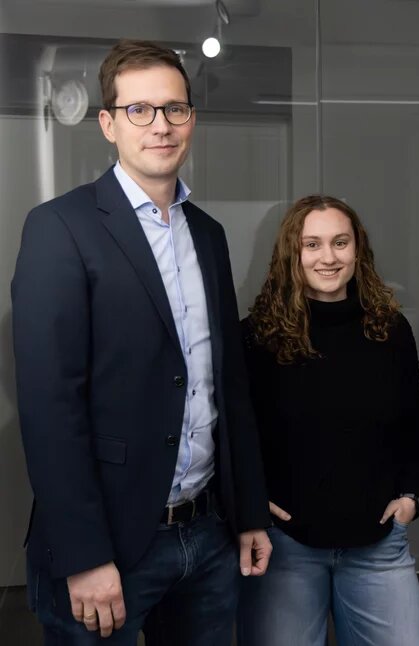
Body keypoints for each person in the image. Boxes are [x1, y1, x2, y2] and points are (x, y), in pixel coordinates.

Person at [11, 39, 271, 645]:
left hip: (207, 537)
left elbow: (227, 386)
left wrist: (249, 511)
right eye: (140, 110)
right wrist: (85, 555)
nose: (160, 125)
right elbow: (51, 408)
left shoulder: (207, 234)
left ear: (192, 120)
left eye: (174, 109)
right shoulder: (60, 228)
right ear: (108, 123)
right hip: (110, 546)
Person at [236, 195, 419, 646]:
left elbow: (414, 427)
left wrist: (411, 497)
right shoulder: (255, 336)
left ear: (357, 250)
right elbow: (235, 434)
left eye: (340, 242)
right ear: (292, 254)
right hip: (284, 547)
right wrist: (252, 499)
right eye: (313, 245)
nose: (328, 257)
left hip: (378, 545)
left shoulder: (390, 331)